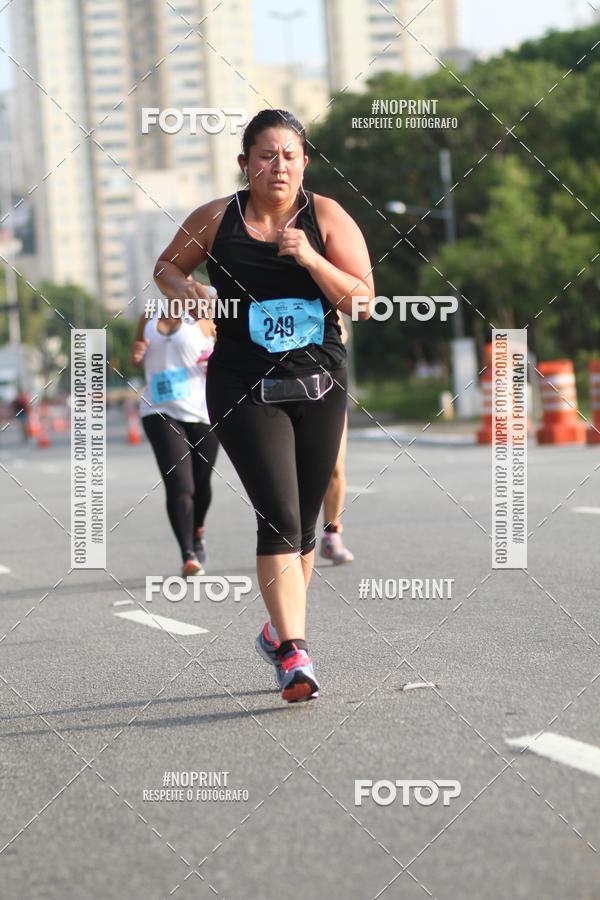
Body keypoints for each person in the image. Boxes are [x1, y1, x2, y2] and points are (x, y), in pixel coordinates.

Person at [154, 108, 373, 703]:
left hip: (319, 384)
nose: (279, 166)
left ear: (304, 163)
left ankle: (278, 631)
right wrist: (187, 288)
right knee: (277, 516)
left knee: (304, 524)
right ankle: (295, 654)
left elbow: (363, 301)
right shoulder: (216, 219)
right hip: (243, 386)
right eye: (267, 155)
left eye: (290, 156)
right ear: (244, 163)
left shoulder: (326, 217)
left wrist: (311, 259)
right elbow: (166, 266)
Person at [130, 300, 218, 577]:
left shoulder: (206, 317)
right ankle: (188, 554)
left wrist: (215, 363)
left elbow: (227, 355)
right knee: (180, 484)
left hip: (203, 412)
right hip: (159, 410)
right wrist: (136, 354)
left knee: (201, 485)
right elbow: (136, 355)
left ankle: (197, 529)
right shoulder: (148, 316)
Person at [320, 313, 354, 564]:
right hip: (284, 388)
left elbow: (343, 332)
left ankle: (332, 535)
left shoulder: (323, 296)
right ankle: (292, 537)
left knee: (335, 467)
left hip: (327, 387)